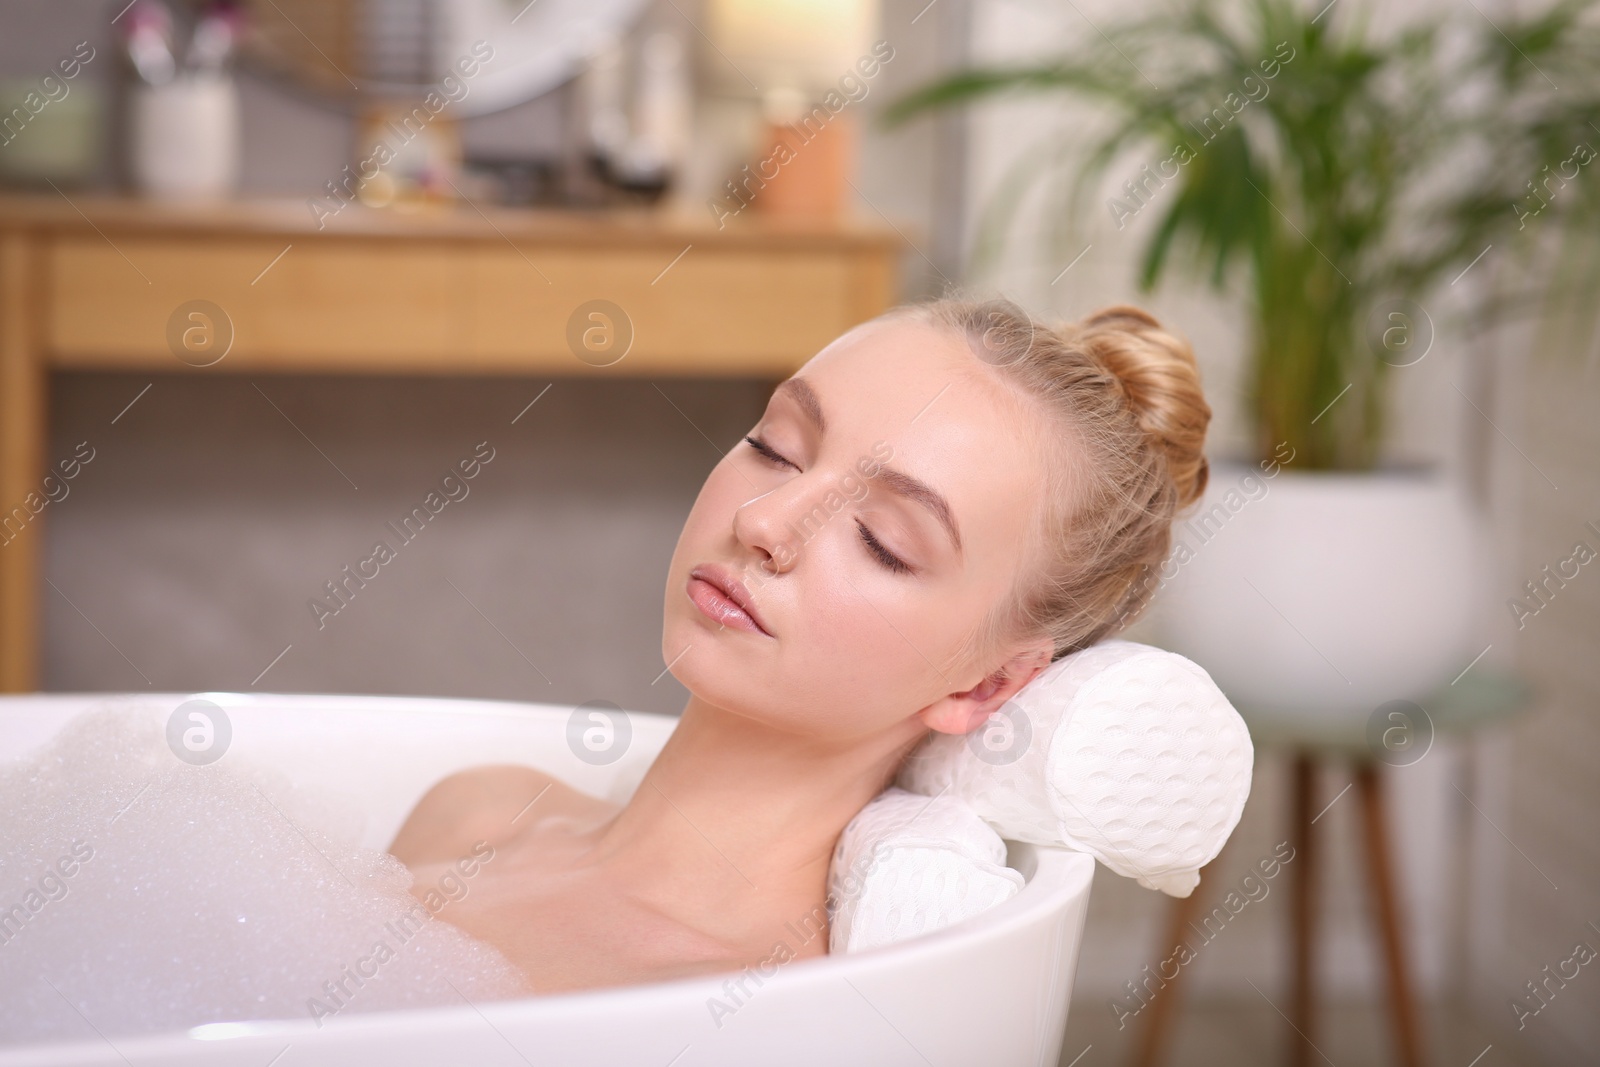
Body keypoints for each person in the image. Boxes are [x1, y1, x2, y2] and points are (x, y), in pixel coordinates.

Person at [388, 295, 1212, 994]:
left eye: (883, 540)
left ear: (988, 685)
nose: (763, 522)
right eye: (774, 447)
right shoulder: (474, 813)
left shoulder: (773, 1005)